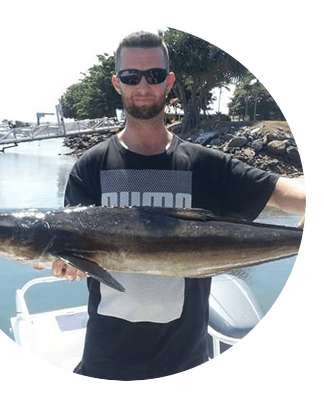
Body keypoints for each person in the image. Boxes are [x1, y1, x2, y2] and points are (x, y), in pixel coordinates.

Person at [52, 31, 306, 380]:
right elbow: (75, 251)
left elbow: (282, 192)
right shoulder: (90, 167)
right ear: (117, 83)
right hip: (105, 360)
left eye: (154, 75)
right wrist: (68, 266)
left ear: (169, 82)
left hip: (187, 363)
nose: (143, 85)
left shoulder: (205, 165)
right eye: (131, 76)